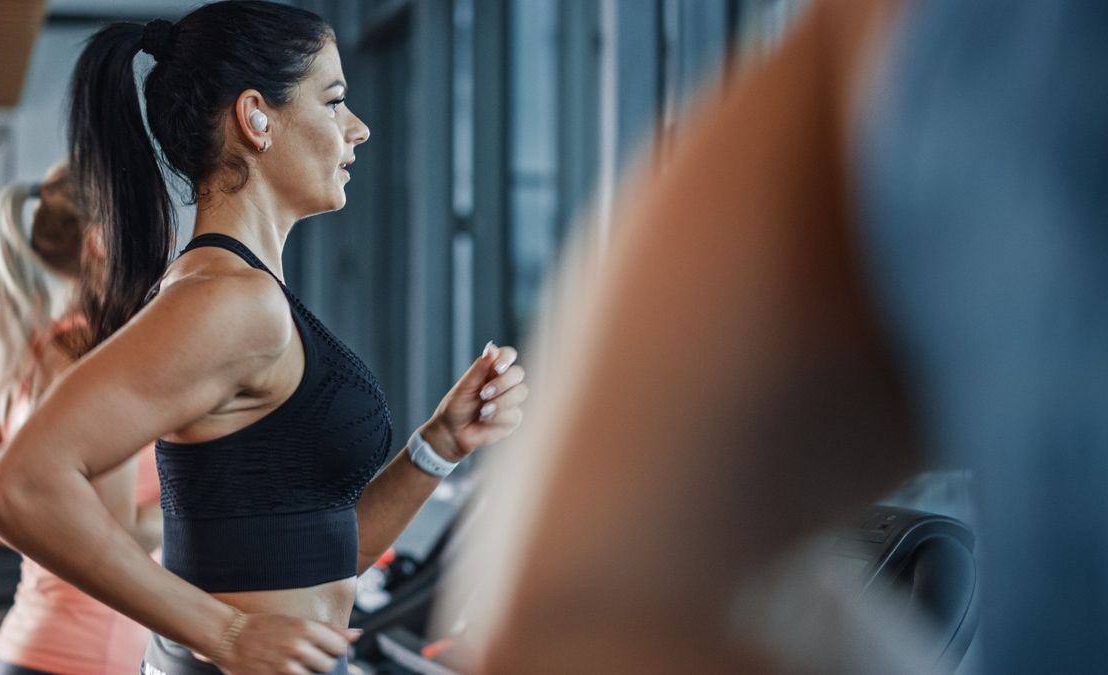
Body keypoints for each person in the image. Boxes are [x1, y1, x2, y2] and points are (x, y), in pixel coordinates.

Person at [449, 0, 1108, 673]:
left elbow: (575, 608)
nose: (359, 129)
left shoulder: (940, 38)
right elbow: (577, 608)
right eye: (333, 100)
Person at [0, 3, 528, 674]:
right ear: (256, 117)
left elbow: (321, 553)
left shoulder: (245, 294)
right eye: (335, 101)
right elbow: (16, 486)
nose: (359, 128)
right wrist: (228, 632)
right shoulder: (229, 301)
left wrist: (440, 444)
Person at [0, 162, 163, 674]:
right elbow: (117, 534)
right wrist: (214, 497)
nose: (162, 243)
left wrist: (52, 538)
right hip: (84, 659)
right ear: (99, 243)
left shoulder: (38, 355)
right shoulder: (93, 357)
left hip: (37, 648)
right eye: (146, 226)